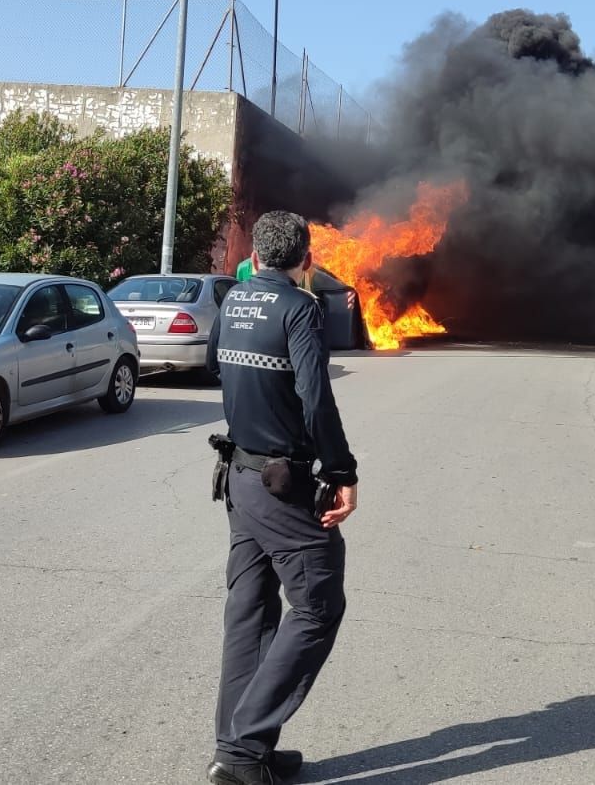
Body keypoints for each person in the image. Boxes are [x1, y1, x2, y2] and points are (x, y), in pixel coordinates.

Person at [204, 211, 359, 785]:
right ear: (306, 261)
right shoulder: (301, 309)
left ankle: (242, 750)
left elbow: (218, 366)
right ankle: (244, 753)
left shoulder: (232, 302)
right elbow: (317, 400)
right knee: (319, 604)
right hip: (281, 485)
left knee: (250, 611)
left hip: (239, 481)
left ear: (255, 257)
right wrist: (342, 469)